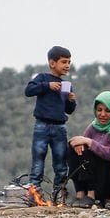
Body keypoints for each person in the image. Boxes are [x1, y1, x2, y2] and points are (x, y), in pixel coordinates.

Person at [25, 46, 77, 200]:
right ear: (52, 63)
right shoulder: (42, 78)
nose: (67, 65)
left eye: (69, 62)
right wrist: (47, 86)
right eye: (64, 62)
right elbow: (28, 90)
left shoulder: (67, 85)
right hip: (41, 125)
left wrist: (71, 101)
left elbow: (69, 110)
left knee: (61, 162)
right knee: (38, 159)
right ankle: (34, 193)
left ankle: (59, 193)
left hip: (60, 127)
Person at [67, 91, 110, 207]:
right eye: (99, 110)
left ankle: (92, 195)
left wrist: (90, 142)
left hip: (109, 177)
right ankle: (80, 193)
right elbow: (82, 146)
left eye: (107, 111)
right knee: (74, 150)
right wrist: (75, 144)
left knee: (89, 151)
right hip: (94, 174)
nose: (102, 114)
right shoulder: (94, 126)